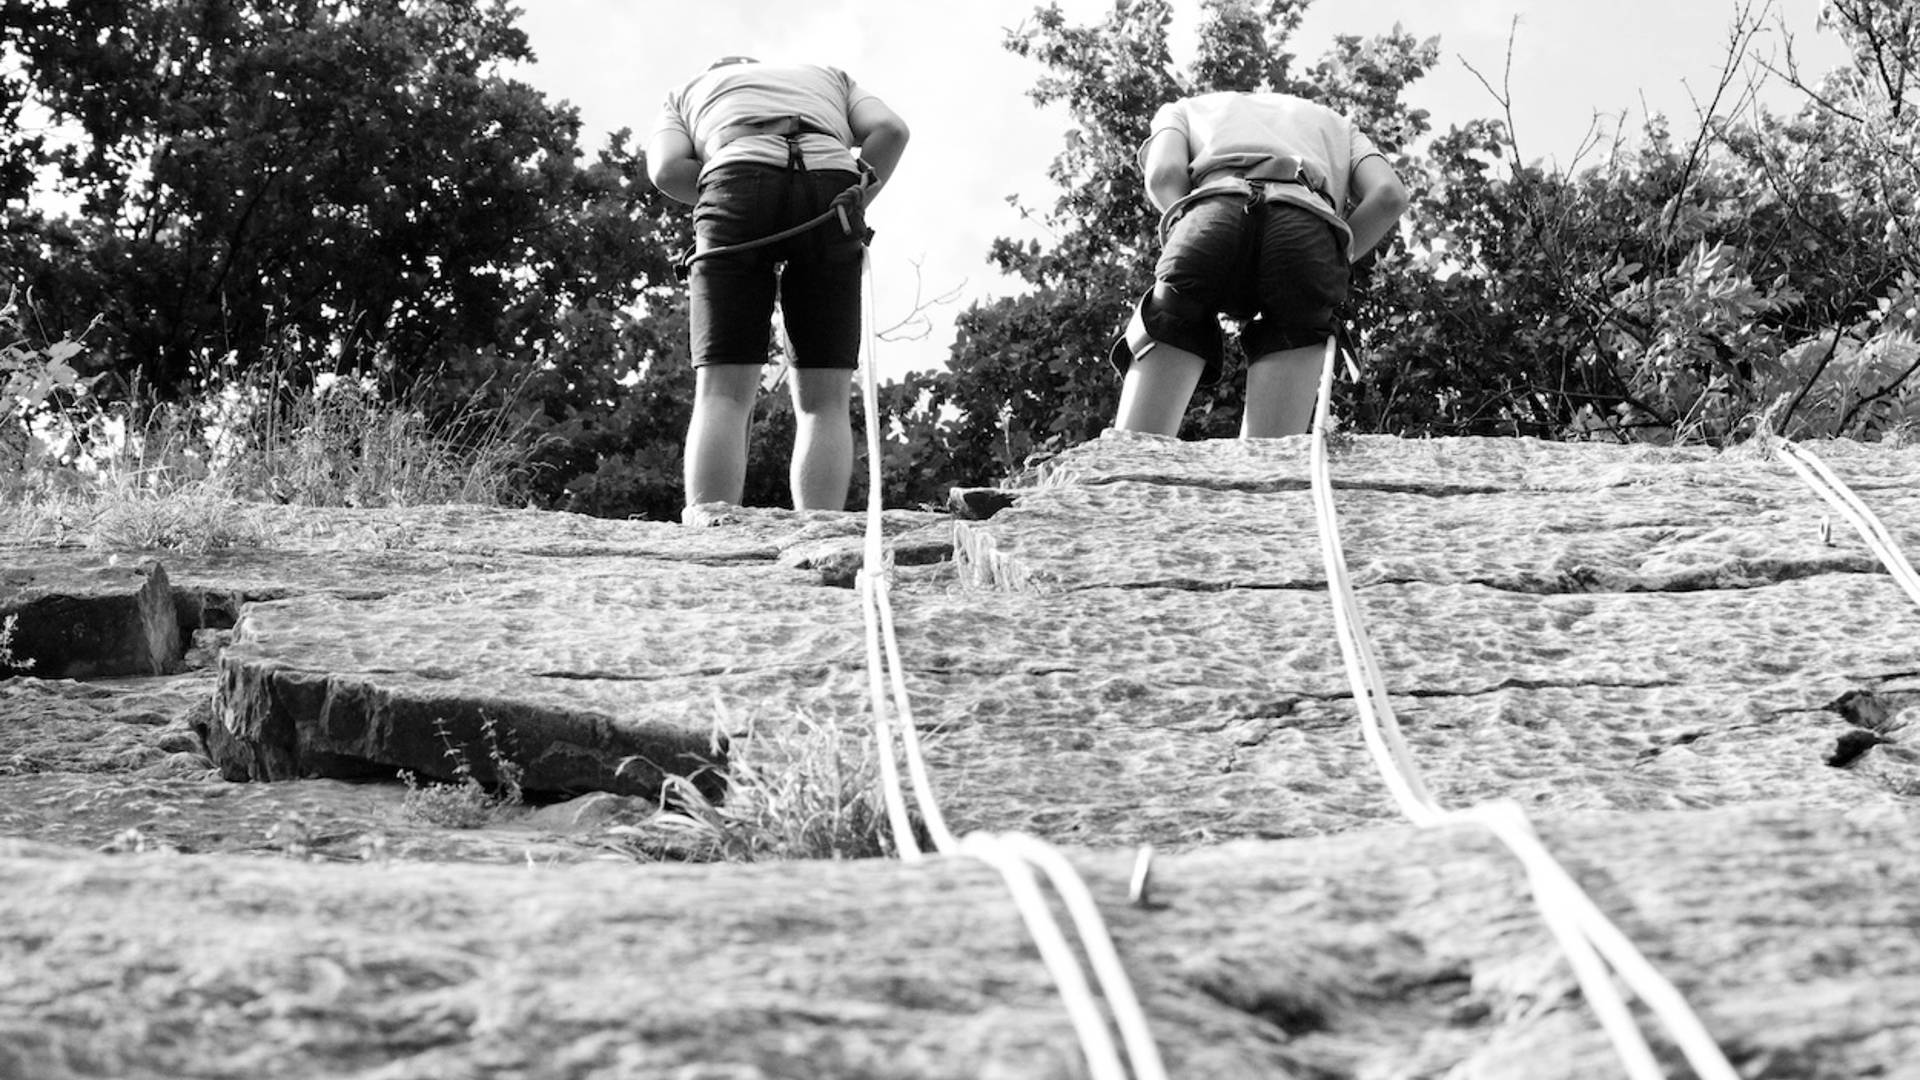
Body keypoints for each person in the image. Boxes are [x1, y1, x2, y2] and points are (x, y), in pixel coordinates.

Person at [646, 57, 909, 514]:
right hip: (831, 182)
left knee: (723, 392)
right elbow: (891, 130)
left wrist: (718, 191)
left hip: (734, 175)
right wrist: (857, 196)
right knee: (824, 400)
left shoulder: (687, 90)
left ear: (719, 69)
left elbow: (666, 169)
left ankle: (712, 528)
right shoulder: (830, 78)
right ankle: (821, 529)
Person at [1109, 90, 1409, 438]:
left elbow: (1163, 175)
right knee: (1269, 457)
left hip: (1212, 212)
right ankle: (1265, 468)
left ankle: (1133, 457)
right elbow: (1389, 195)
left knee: (1169, 329)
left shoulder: (1184, 108)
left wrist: (1188, 235)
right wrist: (1335, 258)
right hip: (1306, 230)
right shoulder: (1340, 126)